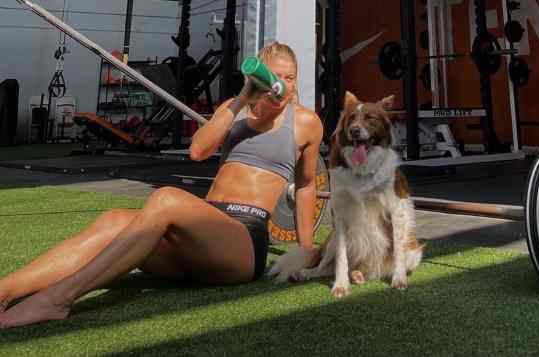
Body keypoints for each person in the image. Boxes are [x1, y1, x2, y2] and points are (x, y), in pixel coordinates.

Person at [0, 41, 323, 328]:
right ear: (261, 78)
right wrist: (242, 99)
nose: (283, 85)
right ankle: (6, 289)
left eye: (291, 77)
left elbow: (306, 186)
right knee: (114, 219)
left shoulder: (306, 122)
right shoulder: (232, 109)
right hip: (201, 232)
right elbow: (198, 151)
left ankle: (58, 299)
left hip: (242, 241)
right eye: (276, 77)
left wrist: (306, 249)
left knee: (167, 198)